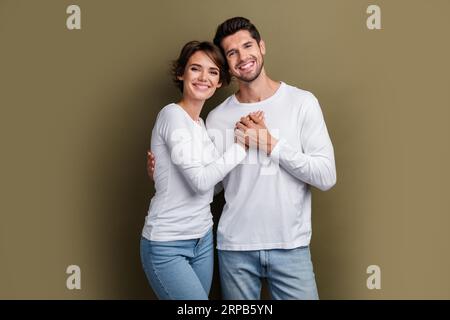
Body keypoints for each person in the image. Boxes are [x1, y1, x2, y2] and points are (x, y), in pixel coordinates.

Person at [148, 17, 336, 300]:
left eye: (247, 46)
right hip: (234, 251)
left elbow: (326, 176)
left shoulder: (302, 102)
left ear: (261, 47)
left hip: (291, 246)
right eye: (232, 52)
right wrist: (166, 174)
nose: (242, 56)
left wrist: (270, 144)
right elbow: (210, 183)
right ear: (227, 64)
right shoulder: (216, 117)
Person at [140, 40, 258, 300]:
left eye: (213, 72)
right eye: (196, 69)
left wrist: (160, 174)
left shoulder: (200, 124)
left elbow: (212, 187)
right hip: (167, 244)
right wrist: (242, 145)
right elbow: (201, 181)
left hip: (202, 238)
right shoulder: (172, 115)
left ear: (219, 82)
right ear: (181, 73)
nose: (204, 77)